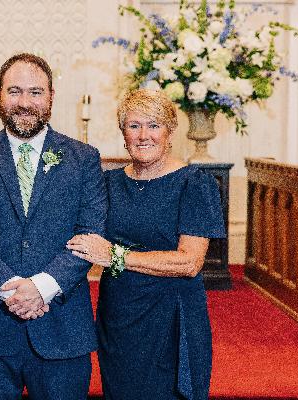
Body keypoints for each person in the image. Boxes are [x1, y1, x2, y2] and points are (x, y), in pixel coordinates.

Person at [0, 53, 107, 399]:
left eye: (35, 92)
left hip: (62, 328)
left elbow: (91, 232)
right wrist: (9, 289)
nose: (24, 102)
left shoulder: (83, 159)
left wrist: (42, 287)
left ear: (51, 97)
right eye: (14, 91)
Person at [67, 88, 226, 399]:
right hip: (119, 316)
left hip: (171, 318)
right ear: (123, 131)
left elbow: (189, 262)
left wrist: (116, 256)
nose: (143, 136)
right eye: (134, 125)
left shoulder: (194, 184)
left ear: (170, 131)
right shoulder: (109, 183)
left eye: (154, 125)